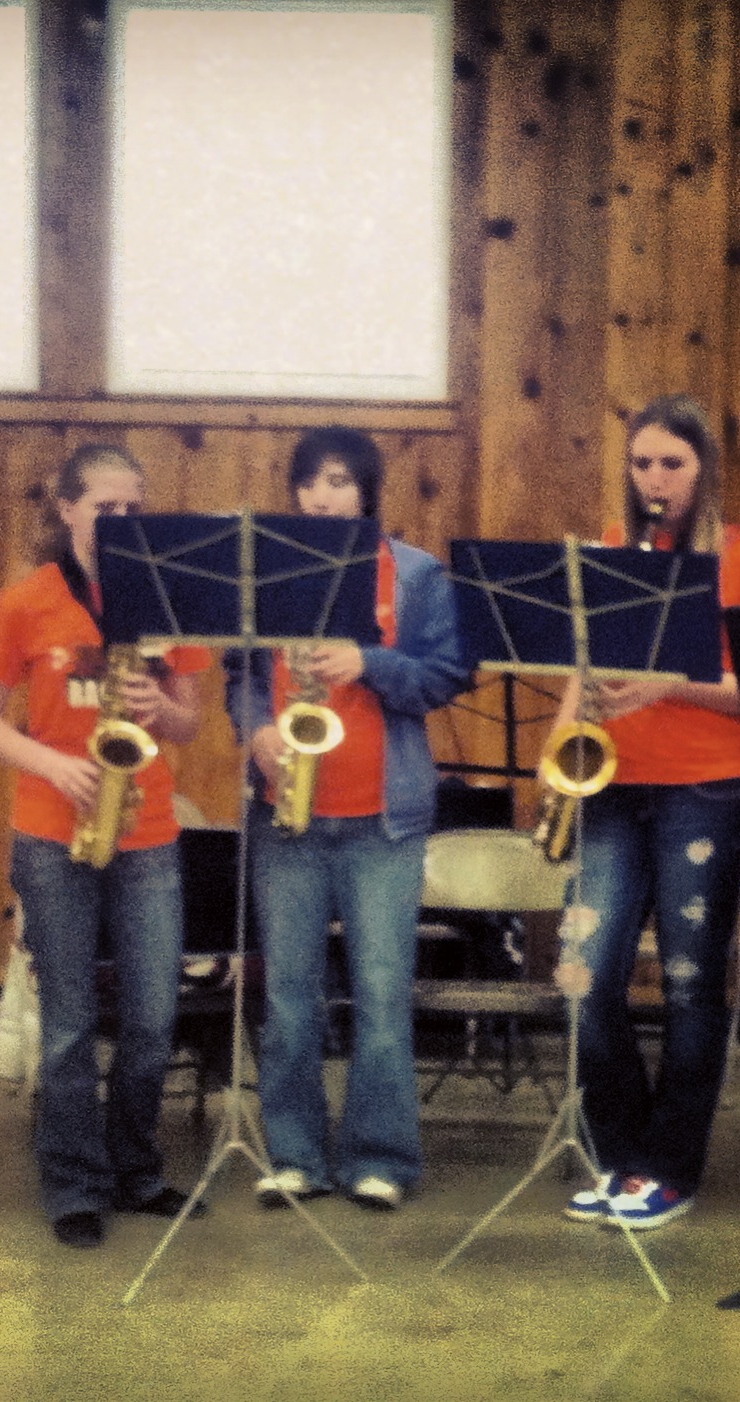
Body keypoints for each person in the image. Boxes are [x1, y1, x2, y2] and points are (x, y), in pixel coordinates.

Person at [0, 442, 210, 1249]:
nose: (125, 521)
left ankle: (137, 1169)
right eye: (107, 507)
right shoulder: (25, 601)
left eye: (136, 507)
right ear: (66, 508)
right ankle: (73, 1184)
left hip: (149, 829)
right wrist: (52, 763)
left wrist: (160, 709)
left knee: (150, 1017)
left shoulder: (170, 597)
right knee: (68, 1023)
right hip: (51, 828)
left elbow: (191, 723)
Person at [225, 426, 472, 1212]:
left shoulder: (417, 574)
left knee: (380, 995)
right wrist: (257, 727)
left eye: (338, 481)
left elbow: (444, 676)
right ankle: (295, 1155)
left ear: (367, 491)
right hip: (286, 817)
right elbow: (238, 671)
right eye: (310, 481)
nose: (322, 495)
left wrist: (369, 663)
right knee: (290, 997)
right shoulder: (263, 564)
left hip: (382, 822)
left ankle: (381, 1158)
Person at [557, 393, 740, 1230]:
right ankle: (622, 1157)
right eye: (642, 462)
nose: (655, 479)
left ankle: (668, 1169)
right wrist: (559, 762)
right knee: (581, 978)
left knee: (692, 985)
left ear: (704, 470)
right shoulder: (614, 553)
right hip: (613, 786)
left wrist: (667, 683)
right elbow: (579, 671)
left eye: (673, 464)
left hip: (708, 791)